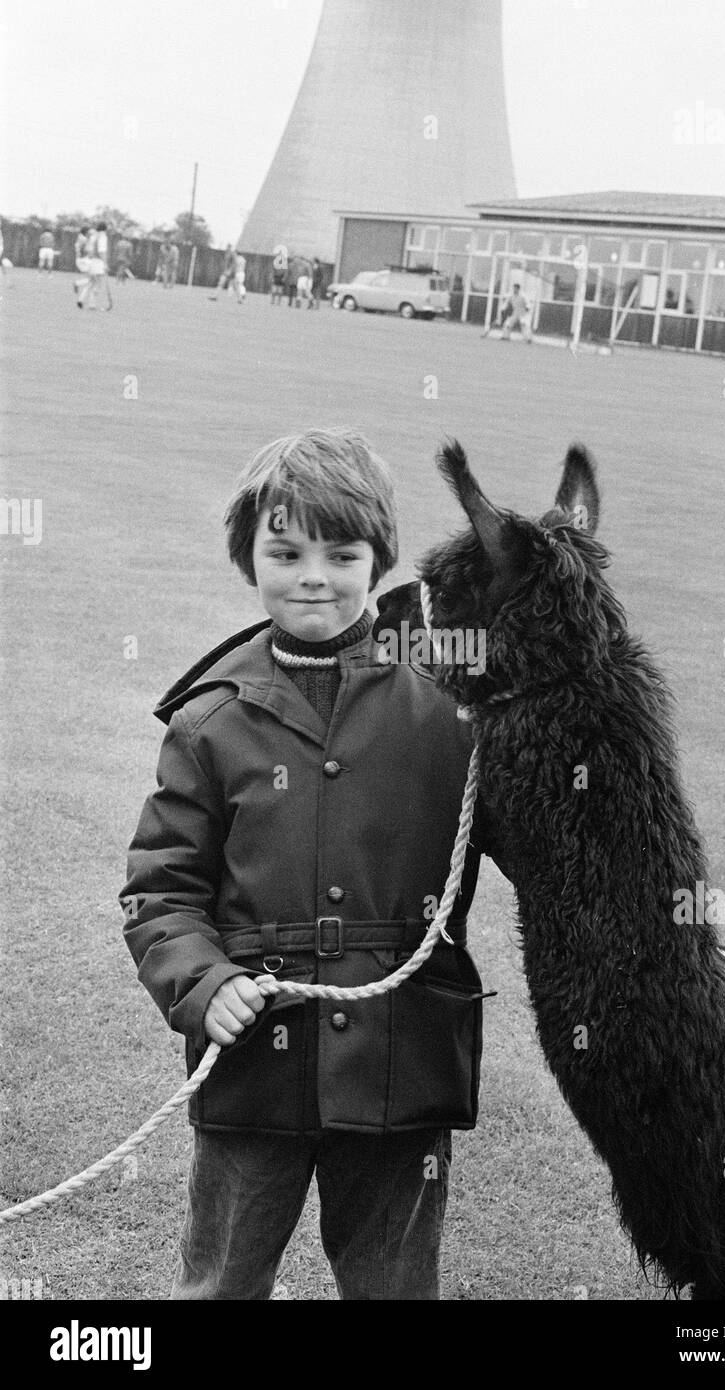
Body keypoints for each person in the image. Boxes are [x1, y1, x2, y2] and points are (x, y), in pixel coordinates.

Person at [120, 428, 494, 1301]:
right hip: (256, 1060)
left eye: (341, 552)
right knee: (220, 1285)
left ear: (380, 557)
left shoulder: (450, 696)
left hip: (405, 1059)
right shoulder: (209, 719)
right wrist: (205, 984)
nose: (313, 576)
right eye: (284, 552)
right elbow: (160, 890)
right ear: (248, 557)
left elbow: (549, 821)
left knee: (396, 1291)